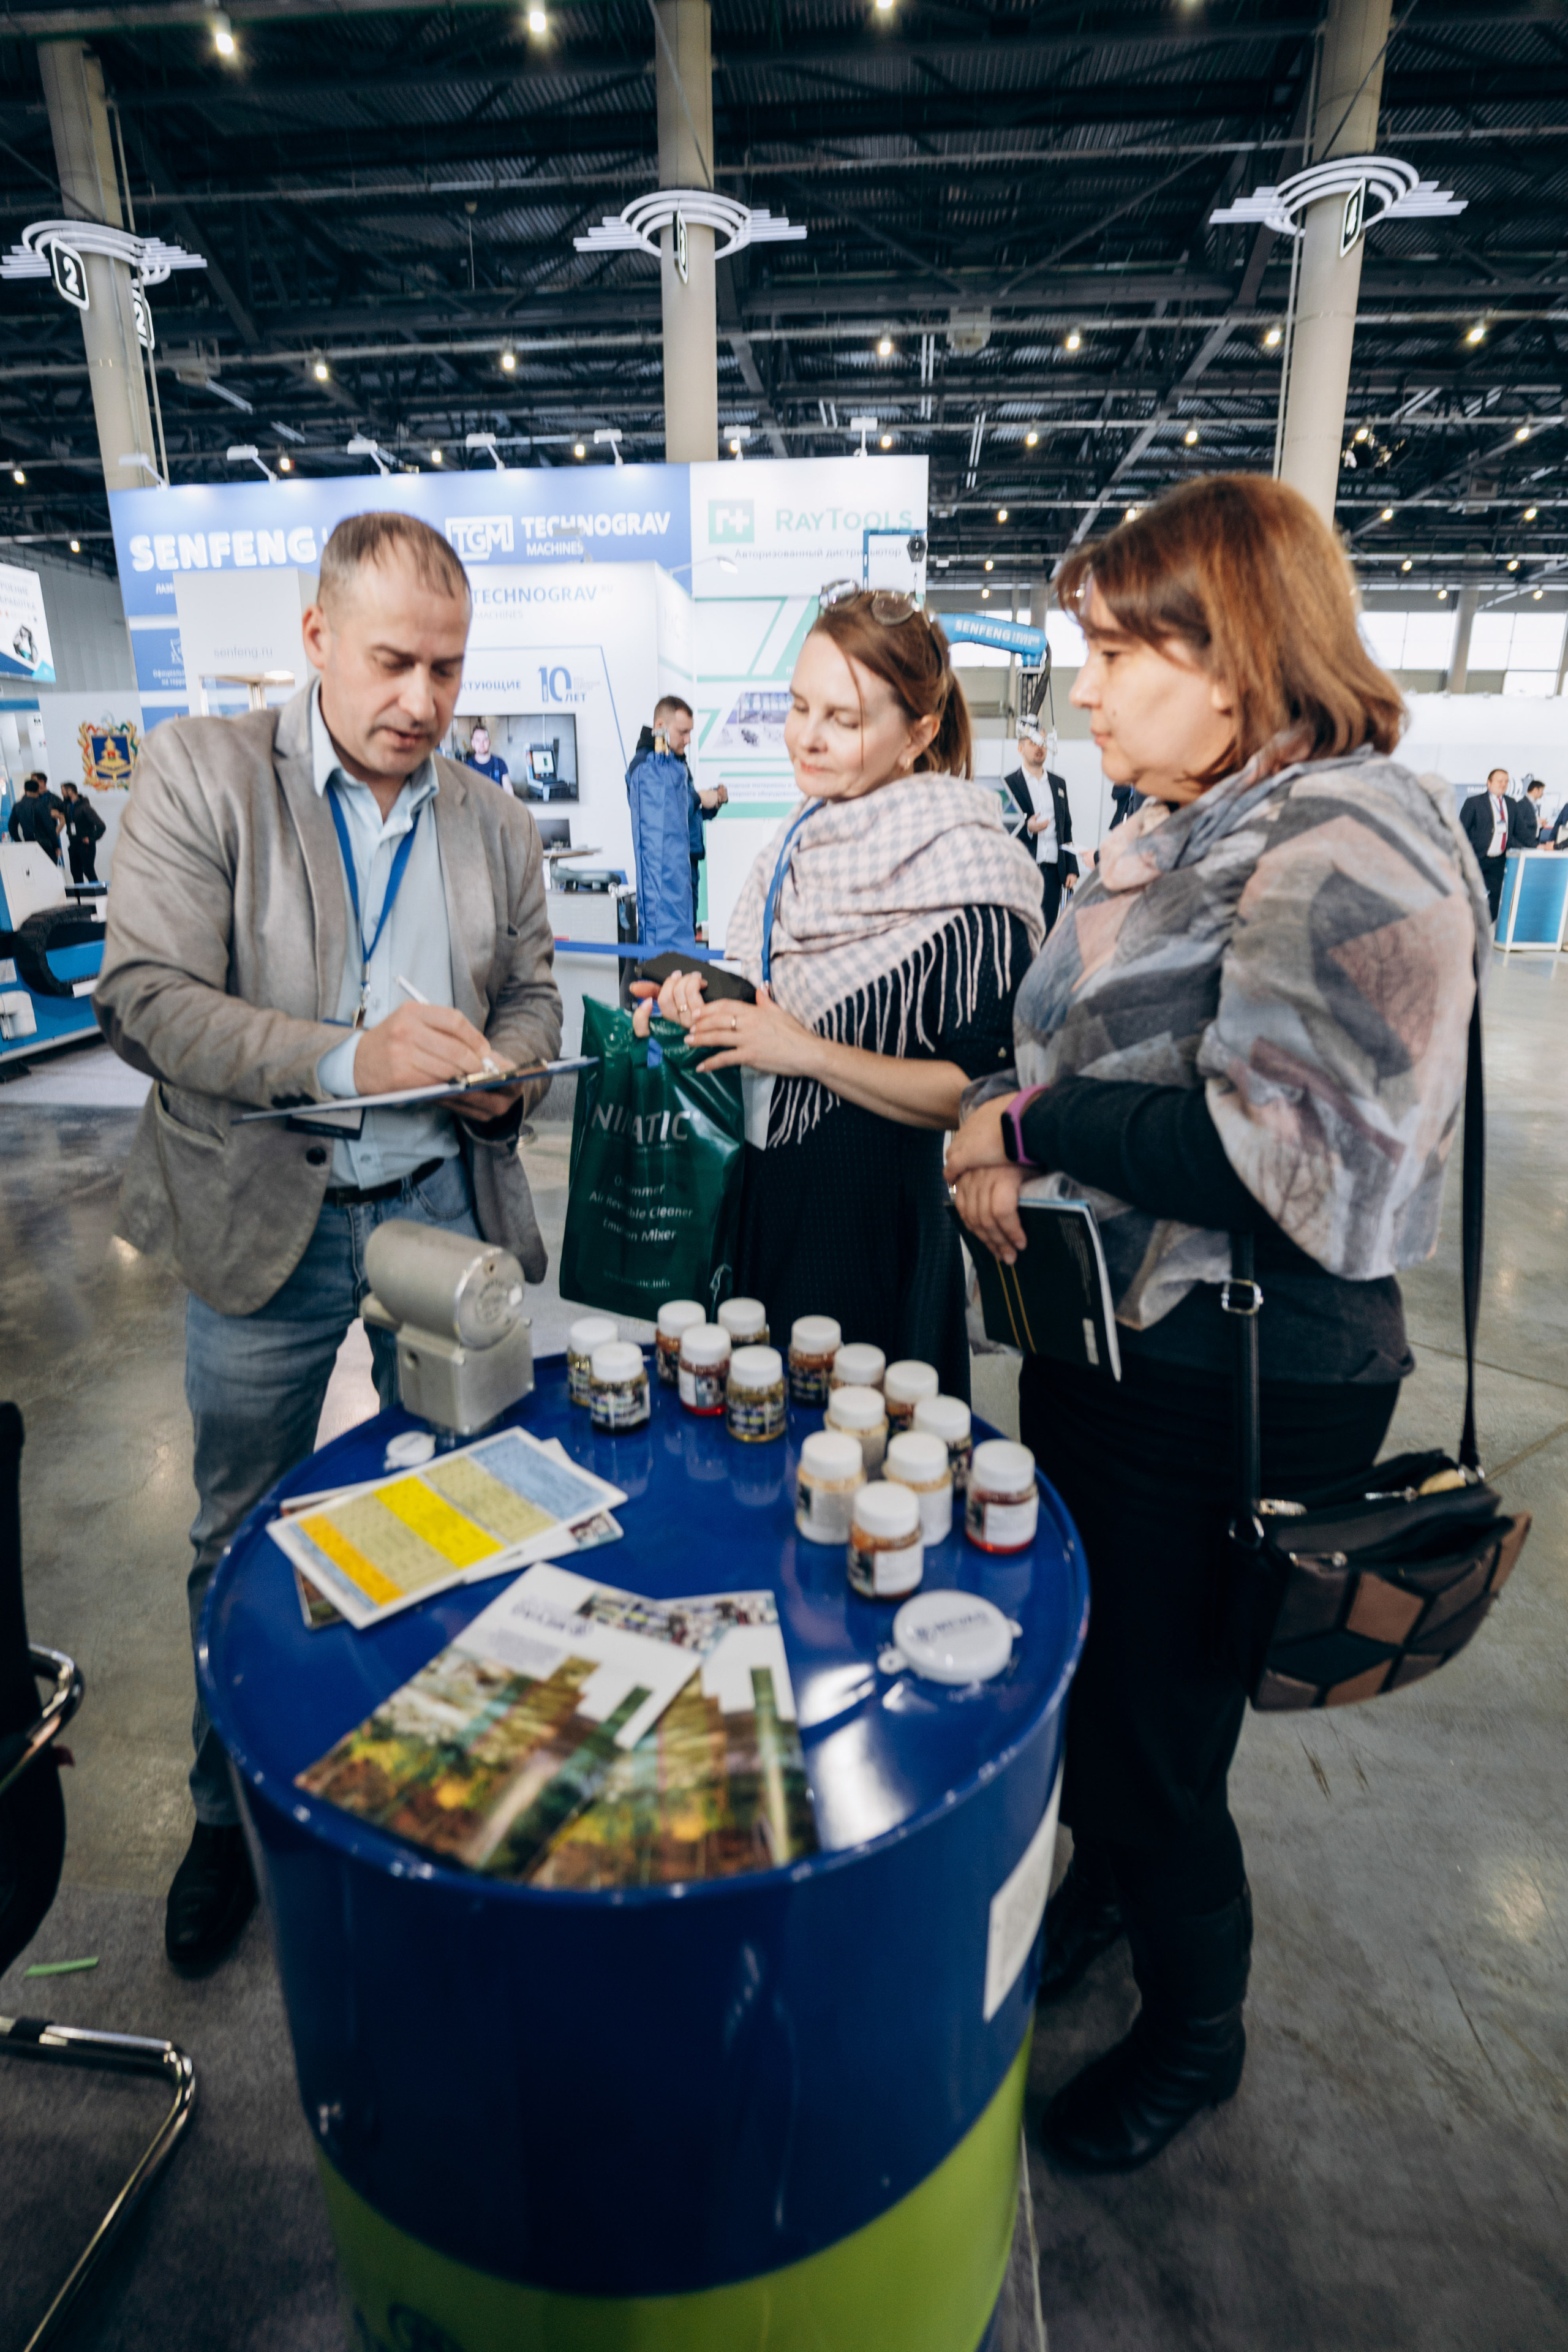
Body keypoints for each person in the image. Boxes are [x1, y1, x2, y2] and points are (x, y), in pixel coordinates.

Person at [946, 475, 1485, 2174]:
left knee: (1154, 1745)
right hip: (1128, 1353)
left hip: (1244, 1372)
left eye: (1115, 651)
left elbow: (1282, 1155)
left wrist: (1022, 1132)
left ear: (1241, 654)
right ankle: (1109, 1897)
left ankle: (1200, 2036)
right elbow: (1087, 1057)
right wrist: (1010, 1111)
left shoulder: (1353, 837)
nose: (1084, 688)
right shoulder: (1190, 825)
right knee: (1110, 1696)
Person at [96, 511, 562, 1972]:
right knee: (236, 1527)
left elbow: (540, 998)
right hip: (262, 1224)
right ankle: (222, 1813)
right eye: (392, 661)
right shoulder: (201, 778)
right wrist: (346, 1059)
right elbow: (147, 1000)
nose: (422, 698)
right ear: (313, 640)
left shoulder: (489, 817)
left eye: (448, 666)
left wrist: (509, 1064)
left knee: (476, 1500)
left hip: (439, 1212)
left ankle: (450, 1772)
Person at [633, 587, 1045, 1396]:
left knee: (870, 1484)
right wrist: (702, 1005)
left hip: (875, 1234)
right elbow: (766, 1012)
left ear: (918, 732)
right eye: (797, 706)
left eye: (843, 720)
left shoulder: (969, 873)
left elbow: (980, 1093)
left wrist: (809, 1053)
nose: (806, 739)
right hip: (762, 1208)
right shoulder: (794, 846)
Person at [626, 693, 706, 951]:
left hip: (684, 877)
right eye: (683, 732)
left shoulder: (674, 766)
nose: (688, 740)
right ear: (660, 728)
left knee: (683, 954)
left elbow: (680, 815)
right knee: (664, 958)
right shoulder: (647, 769)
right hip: (664, 899)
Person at [1001, 725, 1078, 930]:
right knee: (1020, 930)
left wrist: (1072, 867)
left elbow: (1066, 826)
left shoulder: (1058, 783)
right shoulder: (1009, 783)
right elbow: (1002, 828)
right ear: (1020, 748)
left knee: (1047, 931)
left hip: (1052, 874)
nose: (1039, 747)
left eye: (1043, 742)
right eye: (1033, 742)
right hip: (1022, 871)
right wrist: (1027, 827)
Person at [1459, 767, 1513, 922]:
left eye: (1506, 782)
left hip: (1498, 861)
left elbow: (1517, 832)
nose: (1503, 785)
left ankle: (1484, 929)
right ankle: (1465, 927)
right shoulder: (1474, 802)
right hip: (1476, 858)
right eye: (1499, 781)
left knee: (1495, 900)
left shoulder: (1511, 804)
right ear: (1489, 783)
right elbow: (1461, 831)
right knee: (1468, 895)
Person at [6, 774, 65, 863]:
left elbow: (12, 827)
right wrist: (56, 846)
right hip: (46, 844)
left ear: (25, 790)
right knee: (49, 872)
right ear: (38, 790)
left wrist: (19, 842)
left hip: (28, 844)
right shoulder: (41, 805)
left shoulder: (17, 806)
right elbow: (49, 827)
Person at [60, 780, 106, 884]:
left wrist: (91, 838)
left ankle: (98, 894)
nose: (62, 793)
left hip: (85, 844)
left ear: (70, 791)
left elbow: (101, 826)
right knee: (76, 872)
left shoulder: (85, 808)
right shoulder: (67, 806)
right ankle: (80, 897)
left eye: (63, 791)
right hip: (73, 843)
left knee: (88, 870)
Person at [462, 723, 513, 794]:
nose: (482, 743)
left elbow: (509, 792)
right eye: (478, 740)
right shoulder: (466, 766)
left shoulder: (500, 763)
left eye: (485, 740)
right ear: (472, 743)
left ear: (489, 742)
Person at [1512, 776, 1546, 847]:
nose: (1543, 794)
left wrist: (1540, 825)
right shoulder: (1522, 804)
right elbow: (1519, 824)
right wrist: (1537, 822)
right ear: (1536, 790)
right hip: (1524, 843)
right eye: (1542, 791)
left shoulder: (1535, 805)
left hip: (1534, 841)